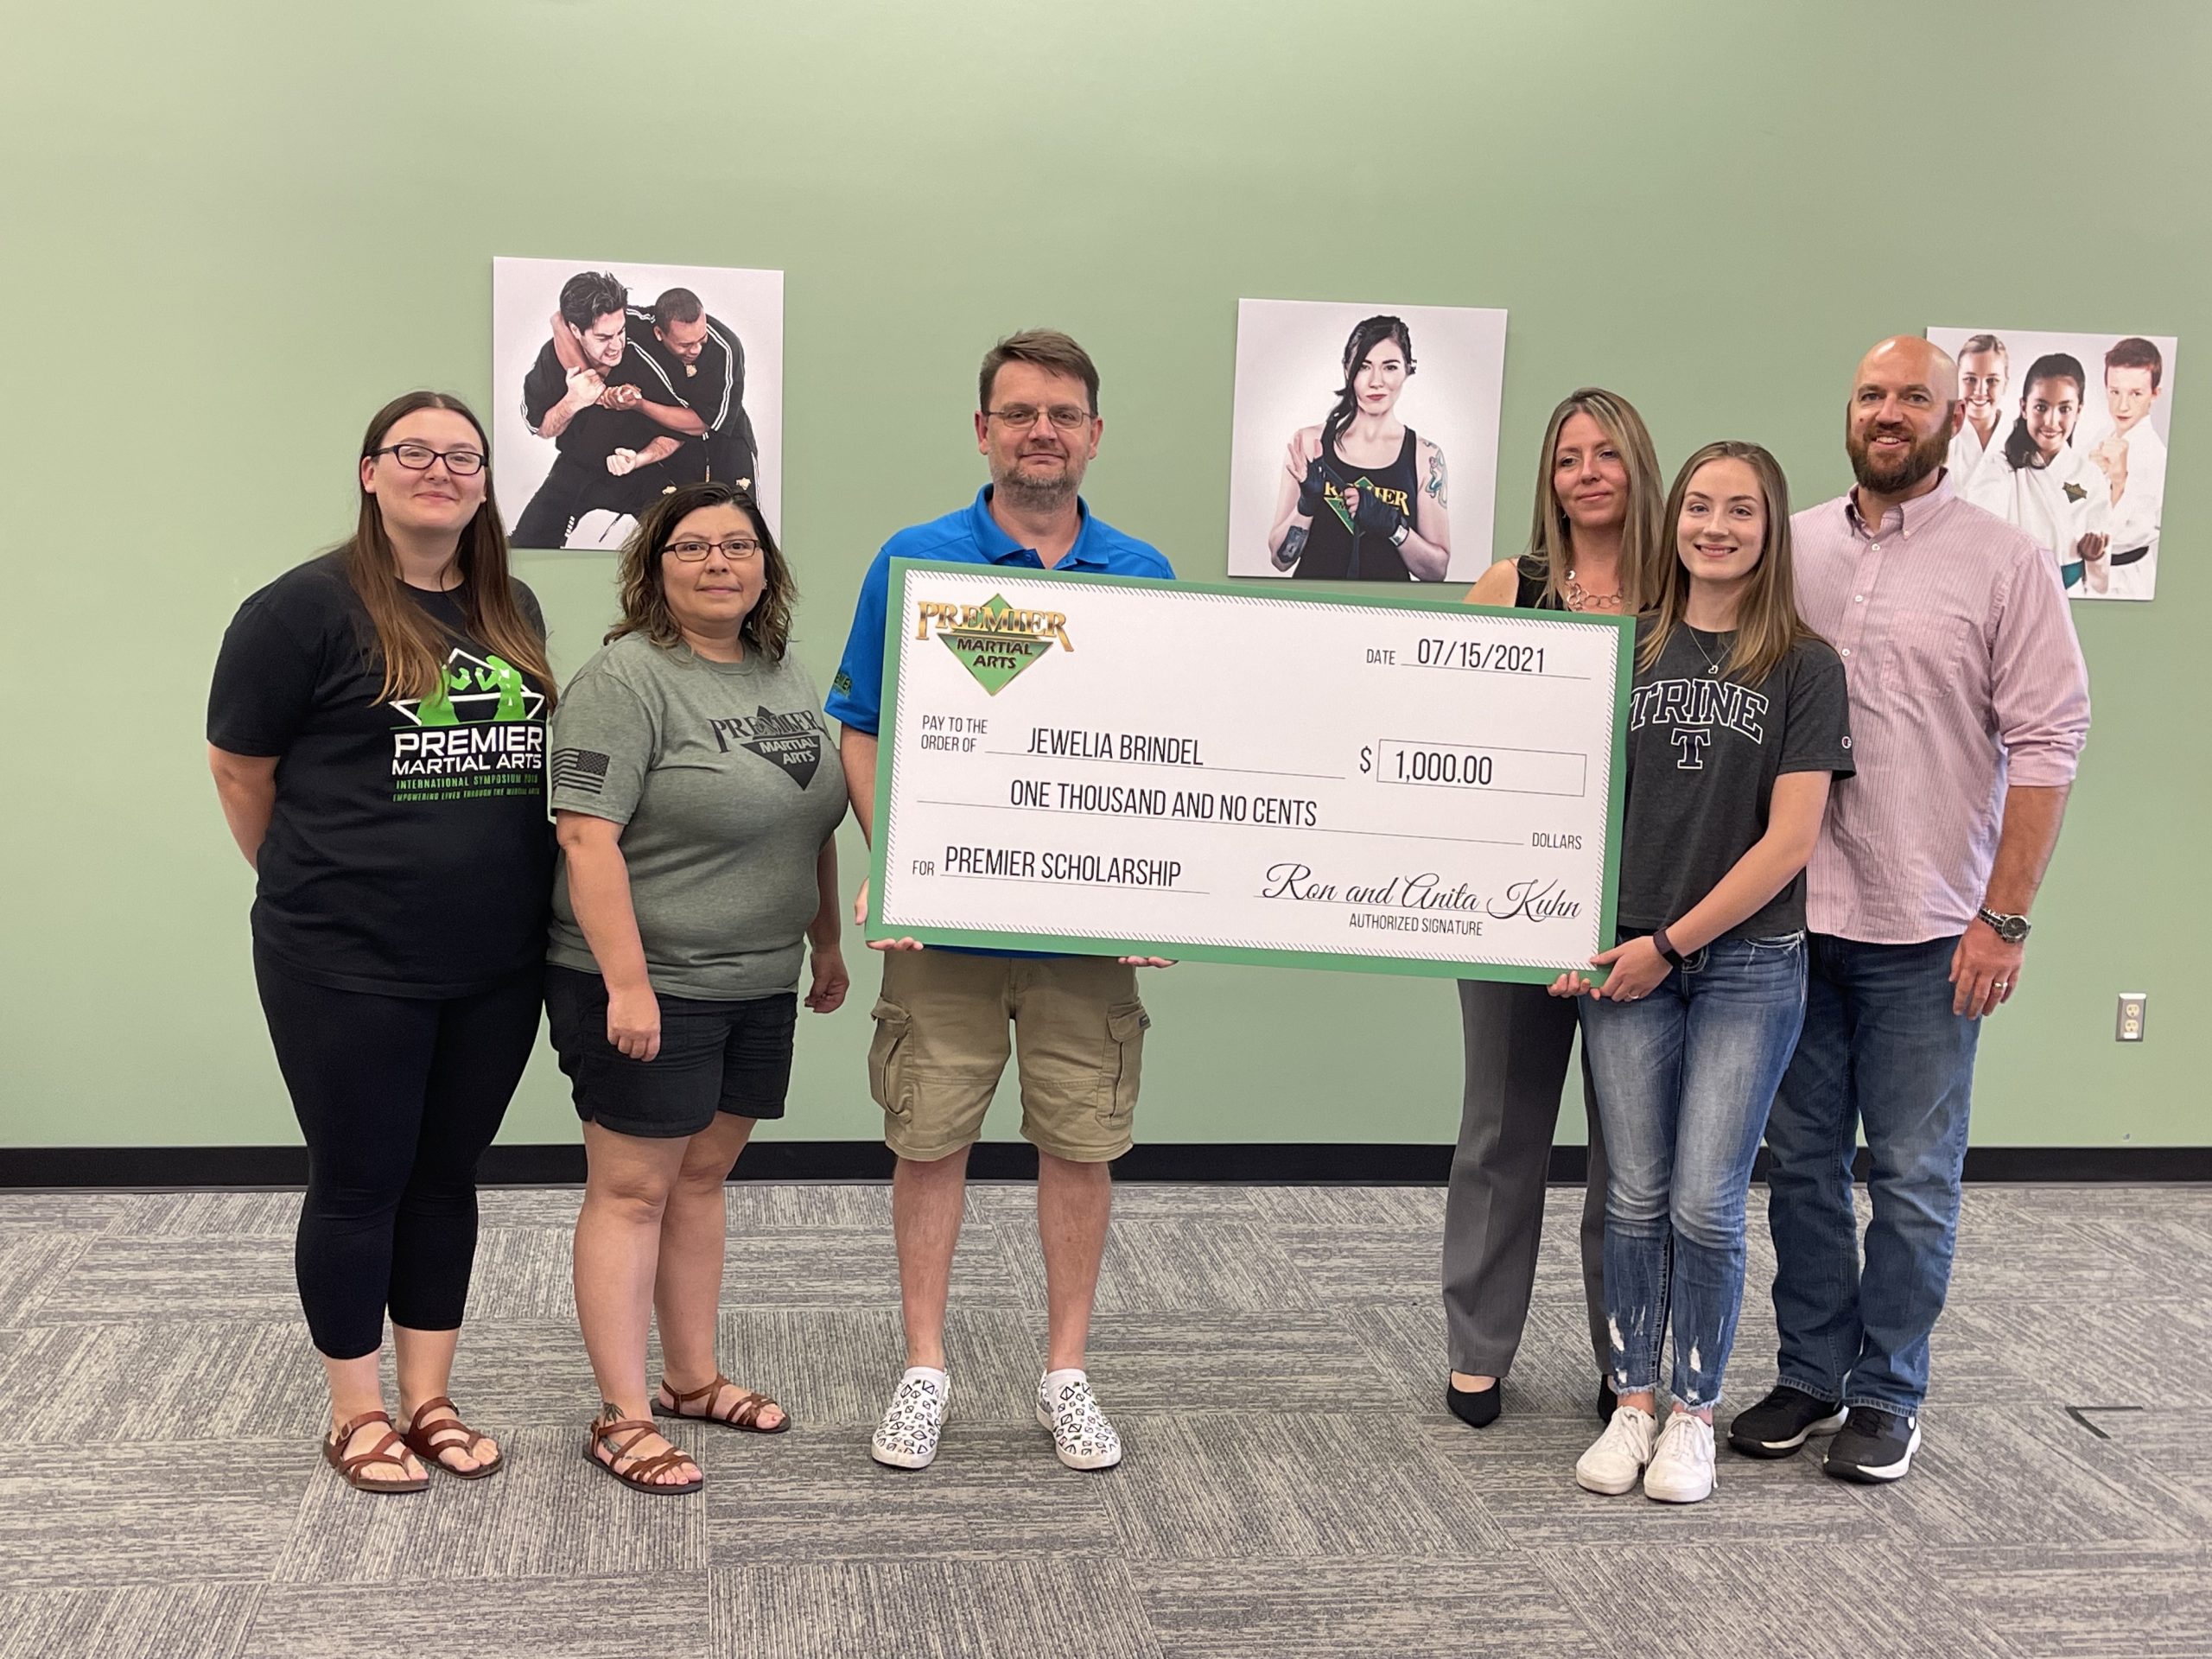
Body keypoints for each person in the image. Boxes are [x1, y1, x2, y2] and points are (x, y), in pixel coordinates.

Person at [1730, 336, 2089, 1484]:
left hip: (1929, 932)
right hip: (1793, 924)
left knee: (1914, 1181)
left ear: (1952, 417)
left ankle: (1888, 1390)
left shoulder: (2004, 563)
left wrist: (2006, 918)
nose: (1889, 413)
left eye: (1912, 398)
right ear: (1851, 411)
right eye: (1871, 395)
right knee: (1801, 1169)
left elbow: (2049, 742)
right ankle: (1809, 1374)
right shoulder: (1789, 550)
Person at [827, 328, 1174, 1473]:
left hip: (1086, 932)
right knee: (929, 1138)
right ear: (983, 430)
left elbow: (1176, 750)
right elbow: (860, 728)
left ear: (1094, 434)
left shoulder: (1142, 576)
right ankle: (924, 1367)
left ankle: (1065, 1373)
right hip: (944, 927)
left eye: (1063, 414)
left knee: (1081, 1142)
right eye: (1019, 413)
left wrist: (1168, 892)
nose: (1041, 432)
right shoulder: (915, 561)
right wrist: (900, 859)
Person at [207, 392, 556, 1492]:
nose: (439, 470)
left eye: (463, 456)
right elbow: (239, 770)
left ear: (486, 484)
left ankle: (429, 1398)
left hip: (495, 957)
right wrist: (313, 883)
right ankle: (356, 1412)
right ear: (370, 473)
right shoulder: (299, 610)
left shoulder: (511, 606)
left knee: (447, 1178)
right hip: (343, 959)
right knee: (360, 1181)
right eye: (414, 452)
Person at [1552, 442, 1853, 1504]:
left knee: (1706, 1203)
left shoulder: (1805, 667)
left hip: (1745, 965)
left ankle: (1692, 1412)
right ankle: (1631, 1401)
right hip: (1624, 957)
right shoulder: (1626, 646)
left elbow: (1791, 840)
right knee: (1633, 1196)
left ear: (1771, 532)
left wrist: (1670, 945)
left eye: (1740, 511)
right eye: (1697, 506)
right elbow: (1566, 802)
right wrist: (1557, 928)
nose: (1714, 527)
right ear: (1671, 518)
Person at [545, 483, 849, 1493]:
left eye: (737, 545)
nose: (718, 562)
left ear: (765, 566)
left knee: (702, 1178)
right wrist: (628, 987)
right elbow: (585, 839)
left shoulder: (781, 670)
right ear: (653, 569)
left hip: (758, 978)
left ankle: (689, 1379)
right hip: (649, 984)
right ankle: (621, 1415)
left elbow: (807, 823)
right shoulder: (624, 679)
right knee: (633, 1191)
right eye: (691, 548)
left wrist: (825, 943)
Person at [1441, 389, 1666, 1431]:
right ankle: (1477, 1349)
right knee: (1500, 1130)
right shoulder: (1511, 585)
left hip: (1646, 917)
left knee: (1631, 1153)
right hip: (1513, 908)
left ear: (1638, 467)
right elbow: (1440, 723)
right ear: (1549, 478)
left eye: (1606, 454)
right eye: (1569, 457)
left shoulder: (1688, 596)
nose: (1587, 473)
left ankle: (1629, 1356)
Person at [512, 271, 690, 548]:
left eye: (621, 331)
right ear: (575, 331)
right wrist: (572, 401)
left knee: (686, 541)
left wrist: (639, 458)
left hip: (648, 467)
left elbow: (680, 430)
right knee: (525, 546)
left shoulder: (650, 349)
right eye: (604, 337)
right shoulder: (551, 359)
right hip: (579, 465)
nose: (617, 345)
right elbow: (542, 428)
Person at [1268, 315, 1451, 581]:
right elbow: (1280, 560)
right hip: (1312, 604)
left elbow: (1436, 571)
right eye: (1363, 366)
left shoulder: (1426, 457)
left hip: (1386, 607)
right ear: (1347, 370)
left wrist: (1394, 527)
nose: (1376, 381)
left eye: (1390, 367)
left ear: (1408, 370)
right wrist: (1306, 506)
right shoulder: (1308, 444)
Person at [1962, 352, 2113, 592]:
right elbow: (1982, 535)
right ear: (2024, 407)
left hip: (2072, 594)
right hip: (2016, 590)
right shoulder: (1999, 469)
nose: (2051, 421)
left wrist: (2094, 556)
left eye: (2065, 409)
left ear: (2079, 411)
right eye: (2041, 407)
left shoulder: (2090, 476)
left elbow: (2100, 579)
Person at [2084, 337, 2165, 600]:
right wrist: (2085, 481)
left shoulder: (2155, 457)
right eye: (2114, 391)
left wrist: (2117, 481)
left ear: (2155, 394)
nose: (2122, 405)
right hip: (2088, 572)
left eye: (2136, 393)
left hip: (2127, 580)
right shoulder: (2100, 436)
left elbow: (2108, 530)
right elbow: (2068, 494)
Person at [1946, 334, 2009, 491]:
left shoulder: (2022, 438)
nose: (1980, 391)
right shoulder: (1940, 435)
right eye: (1970, 379)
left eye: (1992, 380)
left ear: (2005, 384)